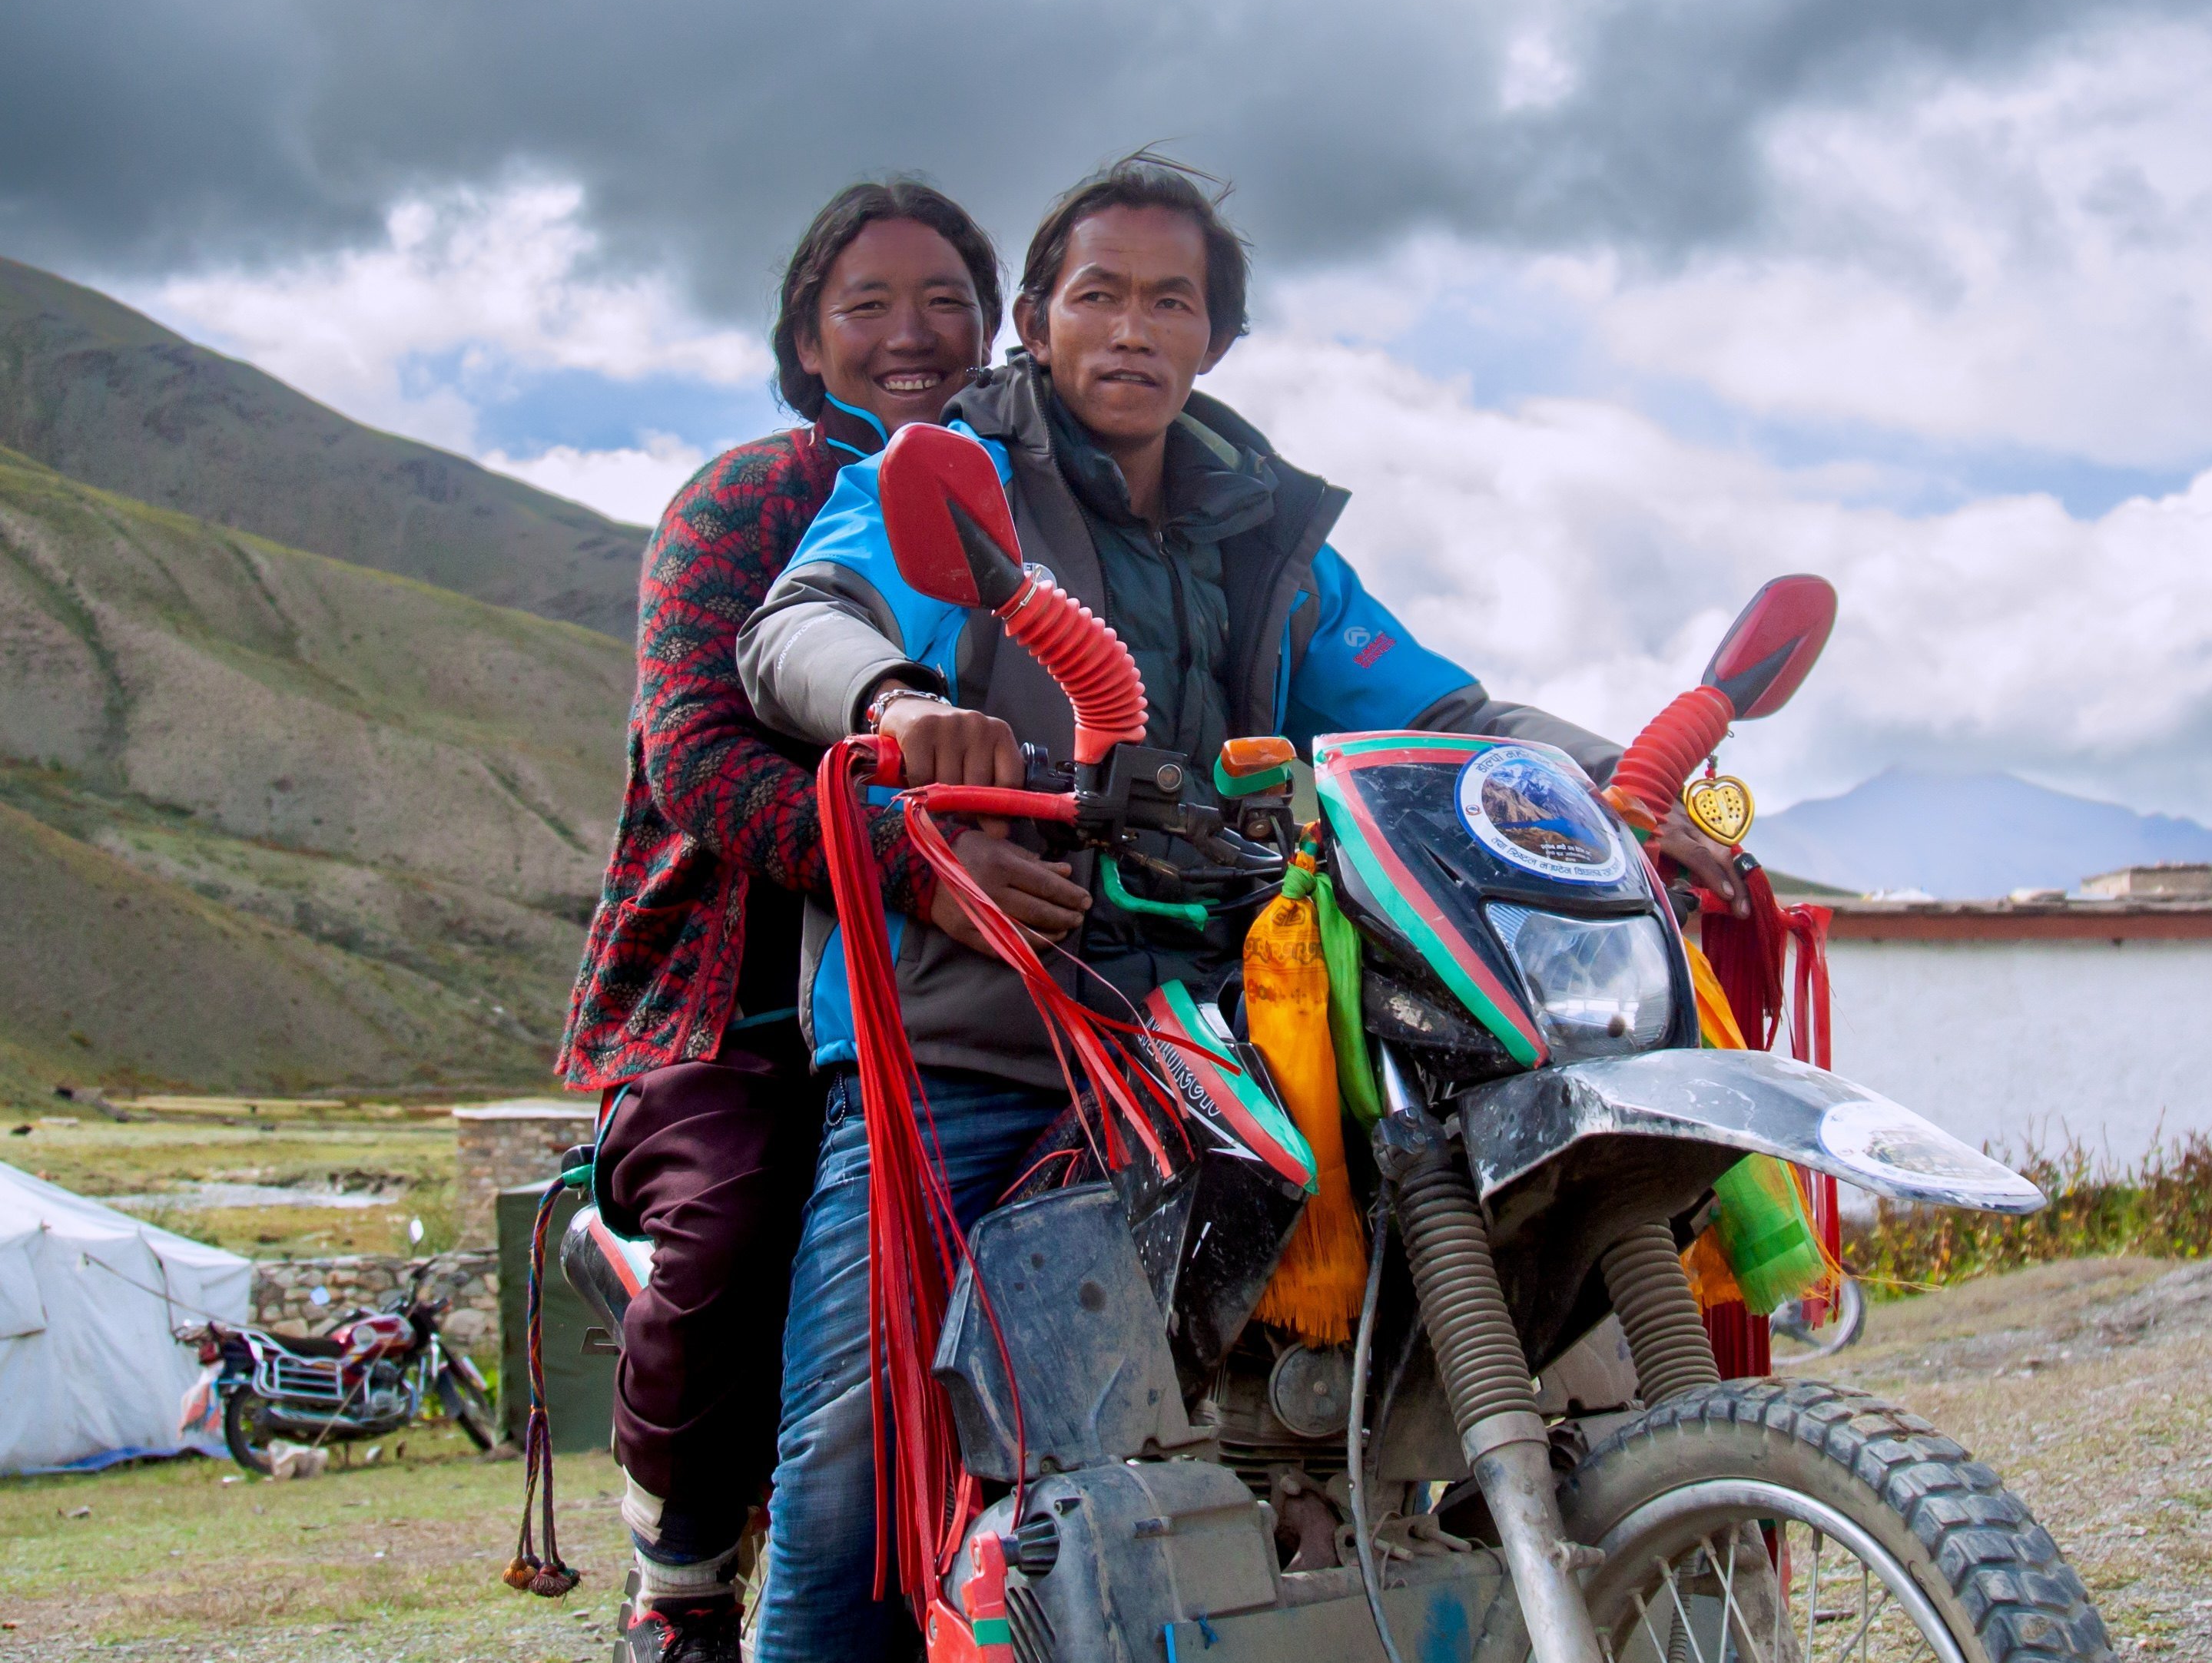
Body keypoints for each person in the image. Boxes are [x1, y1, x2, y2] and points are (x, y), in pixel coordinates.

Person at [736, 152, 1739, 1659]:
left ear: (1218, 338)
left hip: (1219, 1021)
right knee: (851, 1456)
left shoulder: (1266, 531)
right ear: (1035, 317)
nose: (1131, 330)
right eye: (1096, 297)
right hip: (990, 1017)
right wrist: (894, 698)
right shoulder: (944, 475)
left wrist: (1608, 780)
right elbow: (797, 626)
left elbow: (1438, 709)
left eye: (1170, 301)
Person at [555, 179, 1023, 1663]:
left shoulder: (1029, 500)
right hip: (737, 997)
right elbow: (692, 753)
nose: (912, 334)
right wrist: (901, 851)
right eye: (867, 304)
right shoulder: (742, 500)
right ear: (807, 339)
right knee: (744, 1211)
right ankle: (681, 1576)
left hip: (966, 982)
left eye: (946, 299)